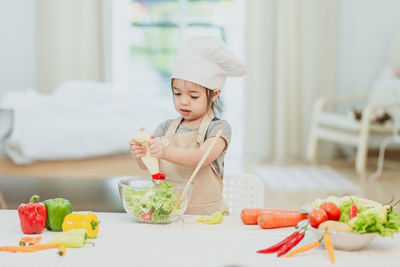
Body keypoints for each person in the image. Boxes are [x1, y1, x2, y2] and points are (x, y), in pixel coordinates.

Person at [129, 35, 246, 215]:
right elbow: (149, 166)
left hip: (207, 217)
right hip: (167, 213)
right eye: (177, 94)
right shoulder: (164, 127)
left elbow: (200, 158)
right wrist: (142, 154)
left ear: (214, 94)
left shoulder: (218, 128)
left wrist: (165, 151)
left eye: (193, 96)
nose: (184, 102)